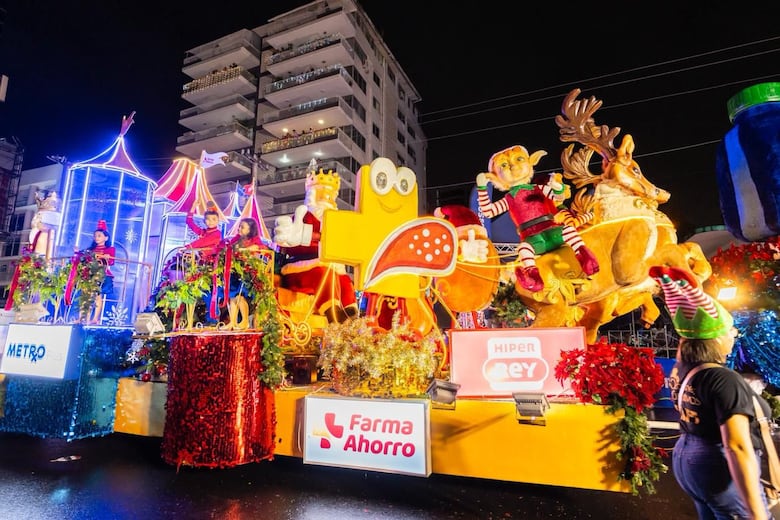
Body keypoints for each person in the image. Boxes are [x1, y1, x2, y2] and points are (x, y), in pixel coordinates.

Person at [650, 265, 774, 520]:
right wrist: (757, 514)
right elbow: (737, 446)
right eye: (730, 331)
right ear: (716, 339)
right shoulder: (723, 379)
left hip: (689, 460)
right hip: (716, 465)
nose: (734, 335)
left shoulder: (684, 371)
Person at [476, 145, 598, 292]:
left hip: (553, 230)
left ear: (530, 162)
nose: (513, 166)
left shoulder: (539, 188)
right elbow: (488, 212)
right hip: (531, 239)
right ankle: (533, 276)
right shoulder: (508, 198)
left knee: (568, 230)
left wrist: (557, 187)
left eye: (518, 159)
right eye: (504, 165)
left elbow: (557, 197)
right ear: (495, 176)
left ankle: (585, 257)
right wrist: (482, 189)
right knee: (524, 248)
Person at [274, 166, 358, 323]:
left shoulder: (333, 222)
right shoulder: (303, 217)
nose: (326, 198)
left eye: (329, 196)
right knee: (324, 274)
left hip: (328, 265)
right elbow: (287, 242)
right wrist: (317, 238)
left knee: (345, 281)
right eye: (322, 194)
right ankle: (332, 314)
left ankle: (350, 314)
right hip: (301, 268)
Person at [183, 206, 224, 324]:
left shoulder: (216, 234)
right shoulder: (205, 232)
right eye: (208, 219)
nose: (210, 222)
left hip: (213, 267)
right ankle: (205, 318)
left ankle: (213, 319)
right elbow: (190, 223)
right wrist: (192, 209)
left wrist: (187, 247)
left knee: (211, 293)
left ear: (217, 221)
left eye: (213, 219)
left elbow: (202, 242)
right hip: (203, 266)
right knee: (204, 292)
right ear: (204, 221)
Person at [224, 217, 265, 329]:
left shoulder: (255, 240)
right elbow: (228, 247)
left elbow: (261, 248)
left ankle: (245, 320)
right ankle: (232, 321)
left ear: (250, 229)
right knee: (232, 297)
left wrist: (251, 249)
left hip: (246, 273)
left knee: (240, 296)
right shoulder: (237, 239)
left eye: (242, 227)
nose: (239, 229)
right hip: (235, 271)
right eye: (239, 226)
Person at [84, 220, 116, 324]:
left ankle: (95, 319)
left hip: (101, 274)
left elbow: (111, 262)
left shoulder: (110, 249)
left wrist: (106, 258)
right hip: (89, 274)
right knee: (86, 296)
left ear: (106, 238)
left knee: (97, 296)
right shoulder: (90, 249)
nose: (97, 238)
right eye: (96, 236)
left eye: (99, 235)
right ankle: (85, 318)